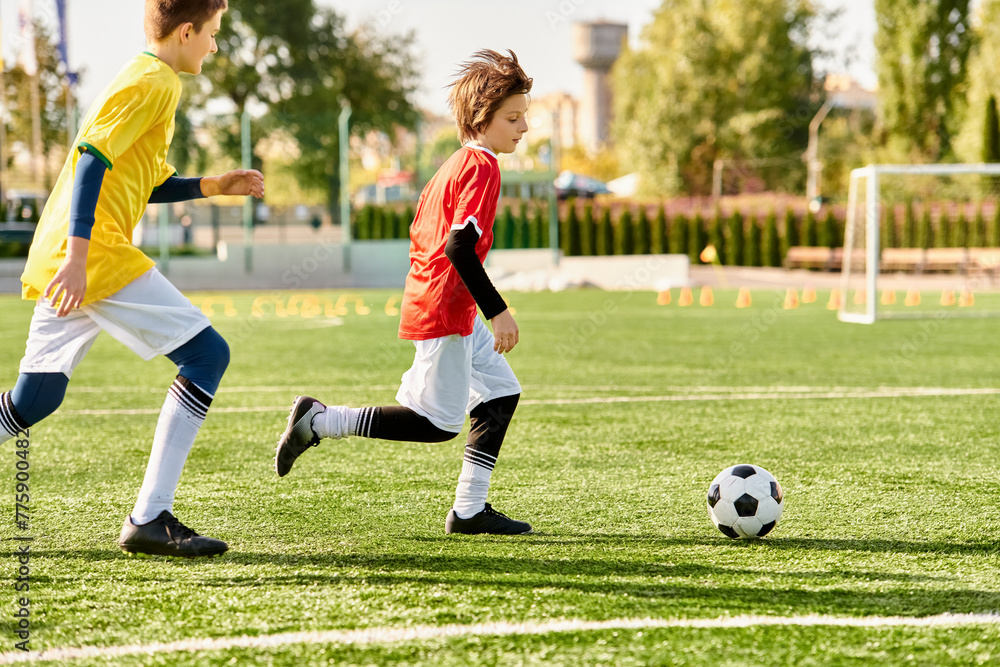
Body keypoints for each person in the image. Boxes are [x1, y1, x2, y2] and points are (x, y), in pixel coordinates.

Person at [0, 0, 264, 558]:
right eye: (213, 33)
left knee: (34, 398)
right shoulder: (155, 80)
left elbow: (147, 180)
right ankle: (149, 517)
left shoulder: (148, 76)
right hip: (90, 255)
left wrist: (213, 186)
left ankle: (150, 518)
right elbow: (91, 159)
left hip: (70, 255)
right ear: (187, 31)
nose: (215, 45)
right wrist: (78, 256)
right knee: (207, 355)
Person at [275, 49, 533, 535]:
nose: (524, 127)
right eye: (513, 117)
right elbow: (458, 246)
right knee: (436, 424)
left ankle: (469, 510)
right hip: (446, 309)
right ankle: (321, 420)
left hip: (445, 304)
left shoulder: (454, 164)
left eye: (524, 116)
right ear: (482, 118)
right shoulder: (482, 166)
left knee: (501, 391)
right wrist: (497, 310)